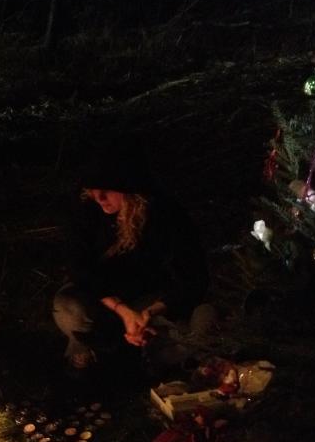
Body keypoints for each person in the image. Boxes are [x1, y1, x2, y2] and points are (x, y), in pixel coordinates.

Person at [53, 158, 215, 375]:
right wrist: (123, 311)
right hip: (104, 301)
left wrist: (148, 313)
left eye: (107, 190)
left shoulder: (164, 215)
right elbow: (81, 270)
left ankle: (149, 357)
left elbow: (190, 275)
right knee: (68, 307)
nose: (99, 197)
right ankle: (90, 355)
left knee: (199, 321)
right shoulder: (86, 212)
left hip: (151, 302)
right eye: (93, 190)